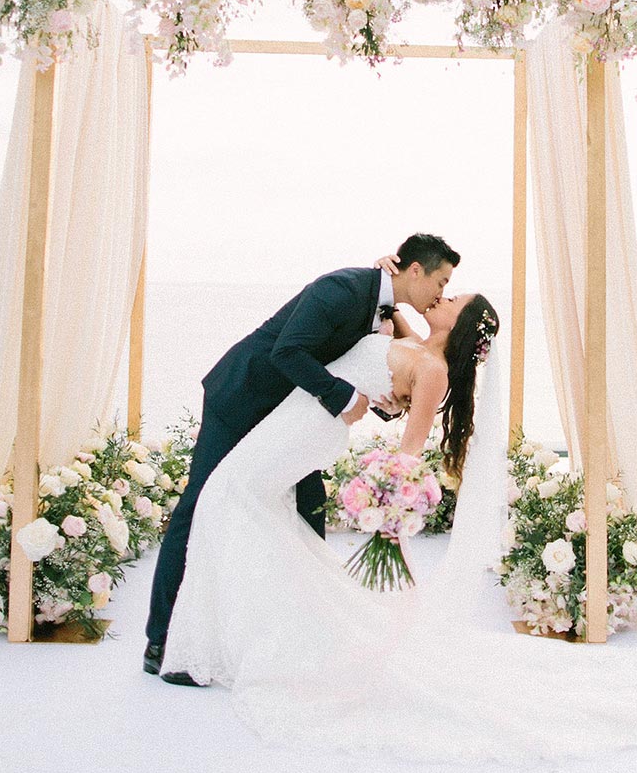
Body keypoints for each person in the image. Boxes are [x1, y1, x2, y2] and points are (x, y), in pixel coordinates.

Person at [158, 272, 637, 766]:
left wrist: (387, 504)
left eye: (452, 301)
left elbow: (409, 452)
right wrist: (383, 280)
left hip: (312, 428)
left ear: (461, 327)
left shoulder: (434, 371)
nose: (443, 299)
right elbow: (385, 328)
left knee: (227, 498)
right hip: (303, 419)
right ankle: (231, 630)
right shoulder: (415, 340)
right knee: (238, 506)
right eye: (444, 288)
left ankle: (201, 639)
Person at [143, 233, 460, 673]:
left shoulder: (381, 309)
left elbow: (363, 365)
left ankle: (305, 631)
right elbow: (287, 351)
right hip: (242, 400)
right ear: (414, 271)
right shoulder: (343, 289)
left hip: (292, 418)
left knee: (308, 511)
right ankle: (160, 639)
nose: (442, 292)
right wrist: (345, 399)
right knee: (199, 506)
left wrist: (383, 400)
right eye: (441, 281)